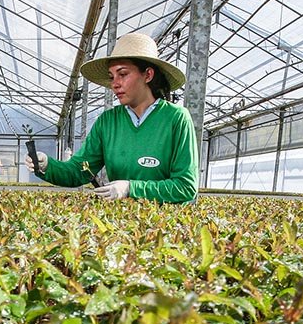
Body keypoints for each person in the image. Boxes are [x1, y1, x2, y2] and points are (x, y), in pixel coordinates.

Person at [26, 32, 197, 204]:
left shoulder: (176, 118)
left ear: (148, 75)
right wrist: (48, 165)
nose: (115, 83)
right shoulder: (108, 122)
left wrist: (130, 188)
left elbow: (186, 187)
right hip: (120, 224)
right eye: (111, 76)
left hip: (165, 227)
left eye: (122, 74)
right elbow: (80, 170)